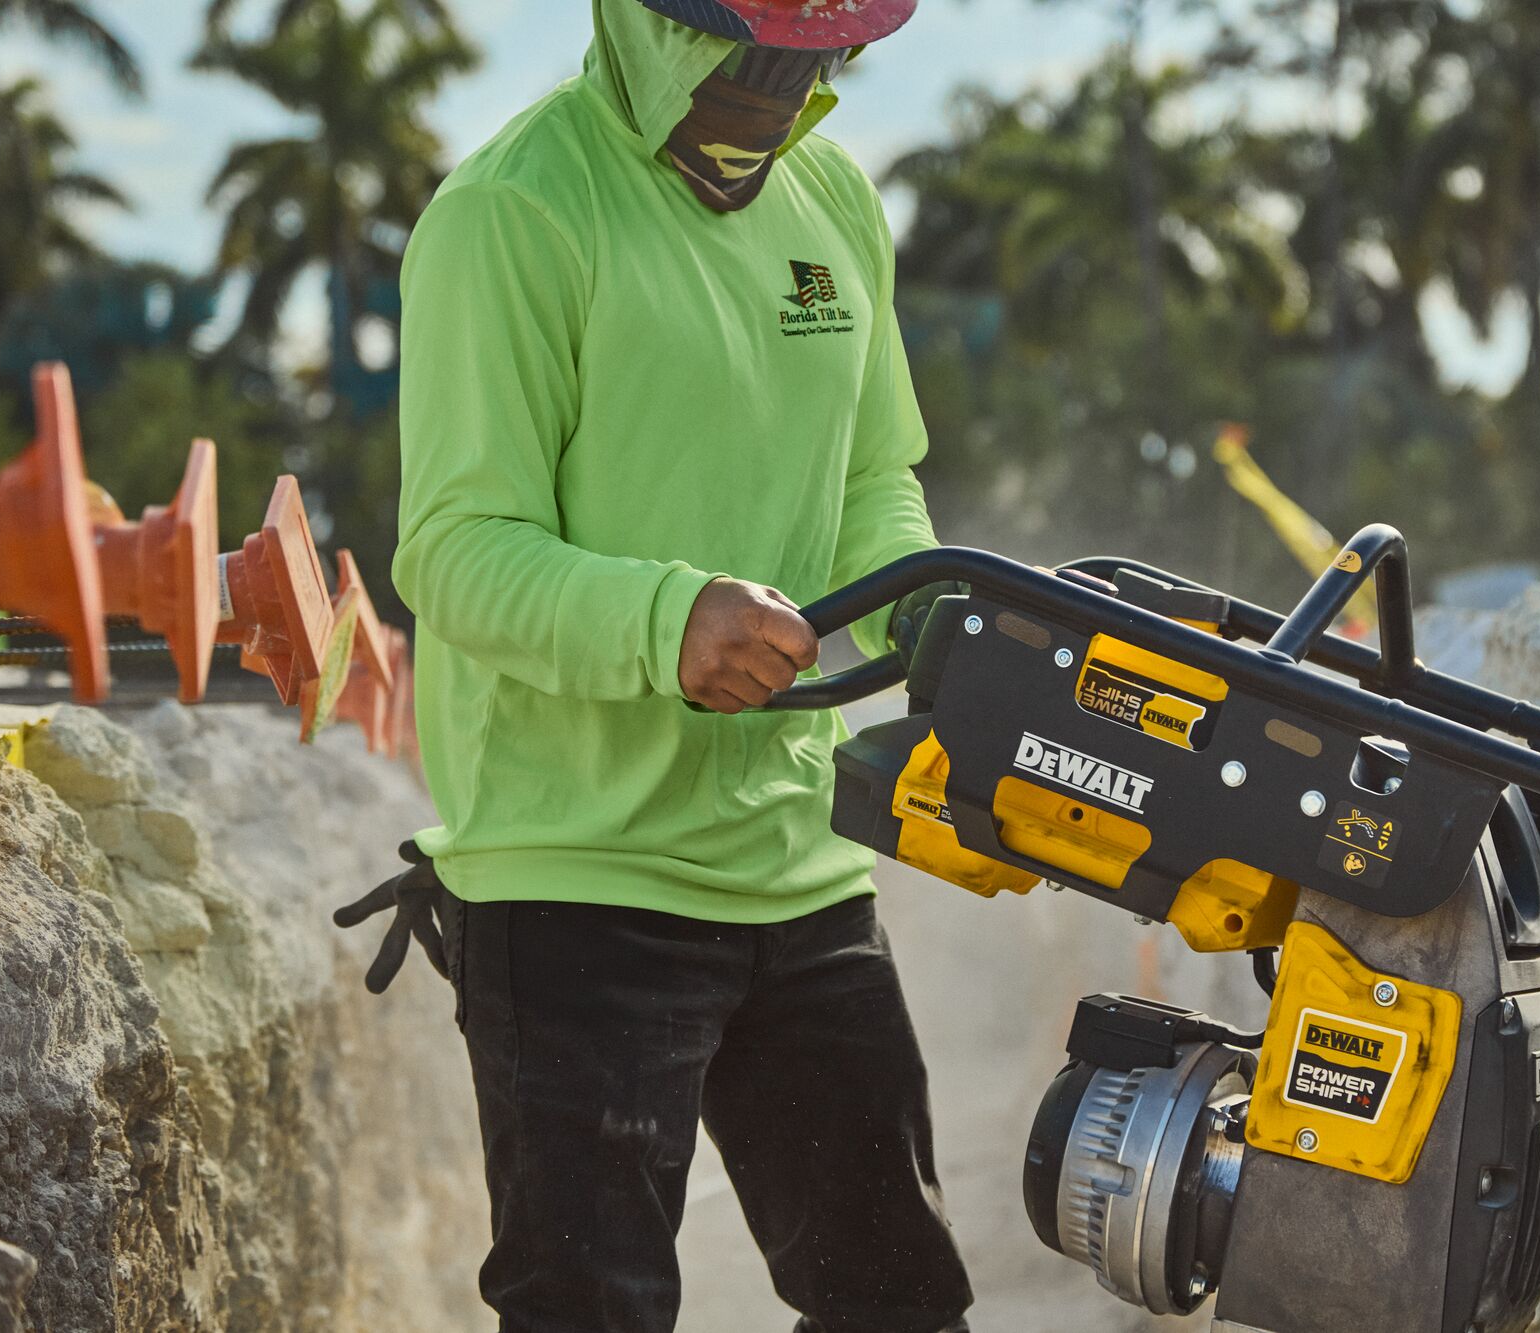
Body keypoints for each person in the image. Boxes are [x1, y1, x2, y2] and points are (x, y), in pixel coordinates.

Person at [338, 1, 975, 1329]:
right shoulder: (513, 215)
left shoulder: (835, 201)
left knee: (895, 1299)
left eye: (818, 55)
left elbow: (871, 484)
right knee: (593, 1307)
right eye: (754, 50)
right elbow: (455, 550)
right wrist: (664, 622)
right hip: (580, 885)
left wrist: (937, 621)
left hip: (799, 868)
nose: (785, 84)